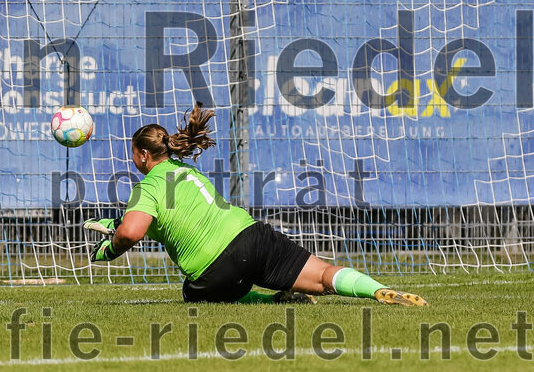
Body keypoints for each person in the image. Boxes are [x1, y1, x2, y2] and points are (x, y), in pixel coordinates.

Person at [86, 105, 427, 306]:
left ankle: (270, 299)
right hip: (252, 237)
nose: (133, 159)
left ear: (144, 155)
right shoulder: (187, 171)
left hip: (216, 270)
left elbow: (132, 233)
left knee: (193, 293)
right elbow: (165, 218)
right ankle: (378, 290)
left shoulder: (148, 186)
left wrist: (110, 249)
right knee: (323, 277)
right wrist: (119, 223)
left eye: (134, 153)